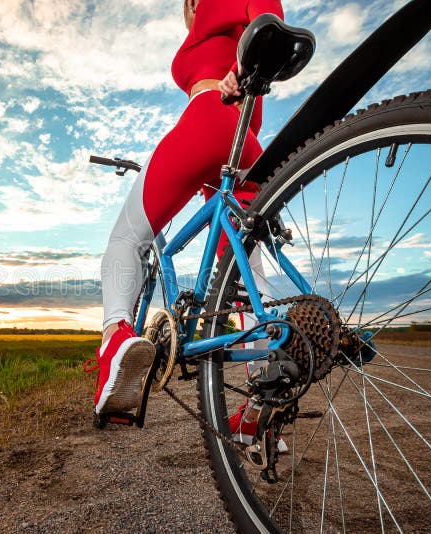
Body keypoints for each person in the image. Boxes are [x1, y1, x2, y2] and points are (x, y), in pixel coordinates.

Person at [85, 0, 285, 427]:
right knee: (244, 271)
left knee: (126, 240)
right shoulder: (219, 30)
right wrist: (247, 65)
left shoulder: (214, 6)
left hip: (208, 120)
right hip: (246, 144)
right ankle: (263, 395)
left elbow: (266, 13)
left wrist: (243, 64)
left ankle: (115, 338)